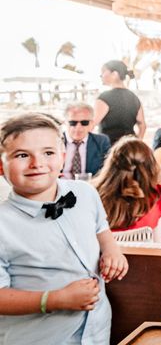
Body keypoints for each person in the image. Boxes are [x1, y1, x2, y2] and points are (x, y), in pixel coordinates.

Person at [0, 113, 128, 344]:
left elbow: (102, 228)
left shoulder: (85, 192)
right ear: (1, 165)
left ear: (62, 157)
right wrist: (54, 299)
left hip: (97, 330)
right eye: (21, 155)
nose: (36, 163)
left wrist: (112, 251)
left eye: (47, 153)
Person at [95, 136, 161, 242]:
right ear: (150, 167)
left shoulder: (94, 196)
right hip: (143, 258)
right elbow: (159, 248)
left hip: (103, 258)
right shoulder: (158, 200)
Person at [94, 60, 146, 145]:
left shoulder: (104, 97)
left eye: (103, 72)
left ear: (115, 74)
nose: (101, 75)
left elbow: (91, 124)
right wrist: (138, 143)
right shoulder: (134, 97)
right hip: (129, 147)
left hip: (109, 149)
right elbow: (142, 125)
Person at [61, 102, 111, 179]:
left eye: (84, 123)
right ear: (65, 123)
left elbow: (107, 171)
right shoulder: (55, 141)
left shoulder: (101, 142)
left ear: (91, 123)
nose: (78, 127)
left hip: (91, 187)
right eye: (72, 123)